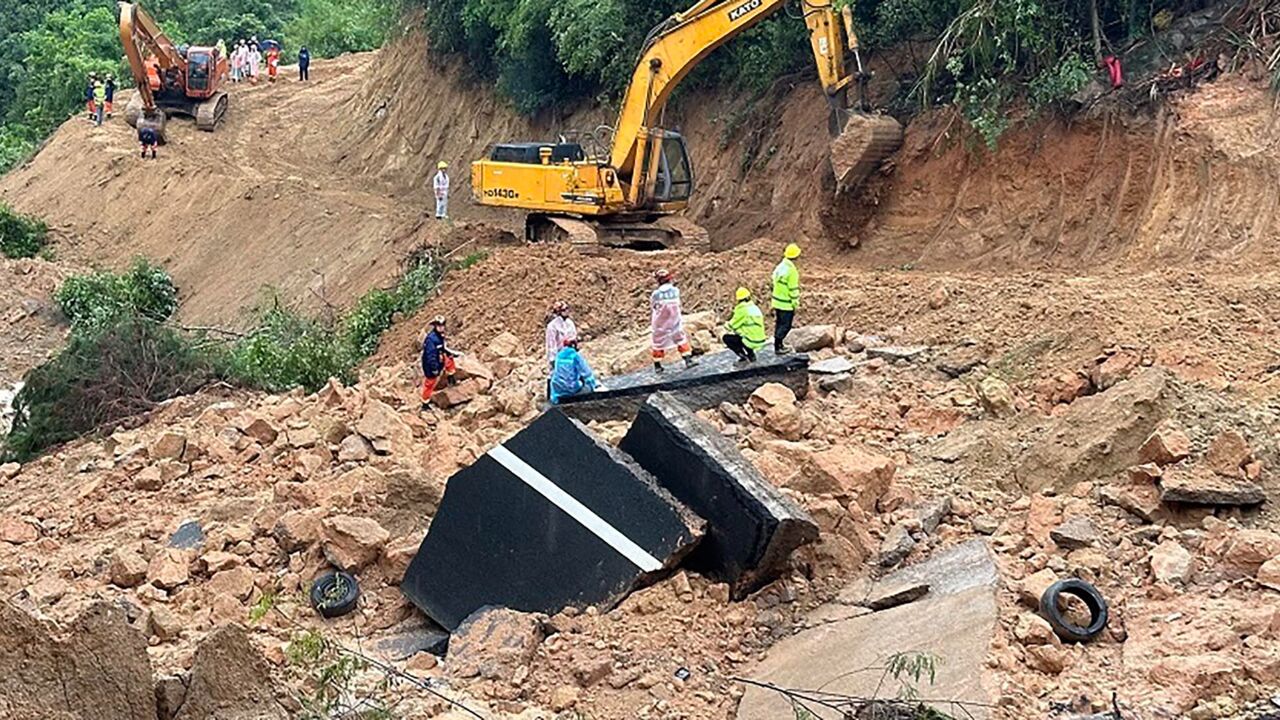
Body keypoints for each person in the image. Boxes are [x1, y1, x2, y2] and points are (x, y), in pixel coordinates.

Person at [650, 268, 694, 372]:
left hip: (660, 323)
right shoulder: (676, 291)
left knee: (658, 342)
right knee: (680, 339)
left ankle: (657, 365)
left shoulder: (655, 294)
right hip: (675, 321)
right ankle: (688, 360)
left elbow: (654, 306)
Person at [420, 316, 457, 409]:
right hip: (431, 364)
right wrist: (434, 368)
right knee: (430, 383)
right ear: (435, 326)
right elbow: (430, 356)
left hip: (439, 358)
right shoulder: (431, 340)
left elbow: (442, 348)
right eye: (438, 325)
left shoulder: (440, 336)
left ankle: (451, 377)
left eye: (442, 325)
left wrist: (448, 353)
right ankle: (425, 403)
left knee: (449, 359)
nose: (441, 327)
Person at [771, 243, 801, 353]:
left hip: (777, 302)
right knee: (786, 326)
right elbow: (793, 289)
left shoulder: (781, 266)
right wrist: (795, 302)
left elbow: (773, 279)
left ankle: (778, 344)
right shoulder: (792, 271)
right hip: (786, 303)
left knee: (779, 323)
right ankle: (778, 346)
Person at [723, 287, 767, 363]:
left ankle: (743, 356)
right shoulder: (754, 307)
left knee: (727, 338)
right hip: (761, 339)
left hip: (750, 341)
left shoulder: (742, 310)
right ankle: (751, 355)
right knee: (744, 333)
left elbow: (732, 325)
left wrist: (725, 324)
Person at [549, 338, 597, 404]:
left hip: (557, 389)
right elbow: (587, 373)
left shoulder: (559, 355)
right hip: (570, 389)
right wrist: (592, 385)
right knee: (586, 388)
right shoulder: (575, 356)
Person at [544, 301, 577, 368]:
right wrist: (553, 359)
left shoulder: (570, 323)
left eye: (567, 309)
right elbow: (551, 344)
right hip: (559, 357)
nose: (567, 311)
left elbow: (573, 336)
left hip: (570, 355)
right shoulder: (552, 326)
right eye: (564, 310)